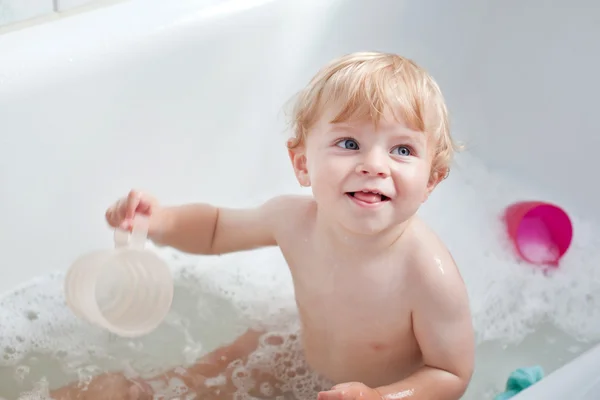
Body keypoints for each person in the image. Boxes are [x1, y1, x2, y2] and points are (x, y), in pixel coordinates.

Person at [50, 51, 475, 400]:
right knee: (164, 387)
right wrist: (161, 221)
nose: (373, 165)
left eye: (402, 149)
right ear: (303, 164)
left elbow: (450, 373)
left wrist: (381, 398)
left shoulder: (426, 274)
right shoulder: (292, 220)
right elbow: (216, 230)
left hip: (380, 392)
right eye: (349, 143)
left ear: (431, 181)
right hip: (295, 356)